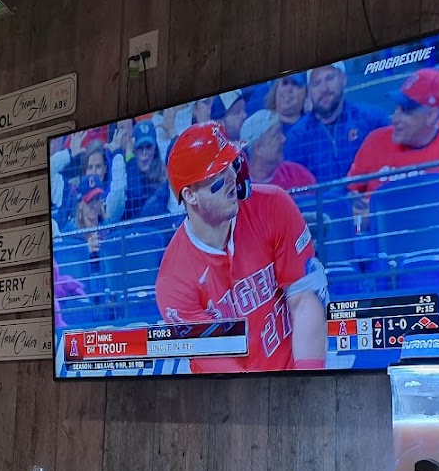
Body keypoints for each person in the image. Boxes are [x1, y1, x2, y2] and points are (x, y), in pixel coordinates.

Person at [155, 122, 328, 373]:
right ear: (191, 196)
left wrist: (306, 385)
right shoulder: (173, 281)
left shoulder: (273, 206)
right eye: (217, 173)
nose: (231, 178)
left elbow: (304, 300)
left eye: (231, 165)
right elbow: (218, 363)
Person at [346, 68, 439, 192]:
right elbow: (347, 192)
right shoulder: (375, 141)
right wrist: (352, 200)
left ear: (432, 116)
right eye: (397, 108)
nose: (395, 119)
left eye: (406, 111)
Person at [284, 59, 386, 185]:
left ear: (343, 79)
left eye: (329, 78)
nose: (324, 89)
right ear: (309, 92)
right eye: (316, 83)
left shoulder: (372, 119)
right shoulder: (297, 137)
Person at [239, 110, 315, 192]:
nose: (284, 139)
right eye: (276, 135)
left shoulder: (299, 175)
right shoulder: (239, 189)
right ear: (258, 148)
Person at [124, 120, 166, 219]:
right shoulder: (128, 171)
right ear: (134, 150)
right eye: (140, 148)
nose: (144, 153)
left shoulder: (163, 174)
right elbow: (135, 194)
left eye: (148, 147)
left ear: (155, 148)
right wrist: (130, 159)